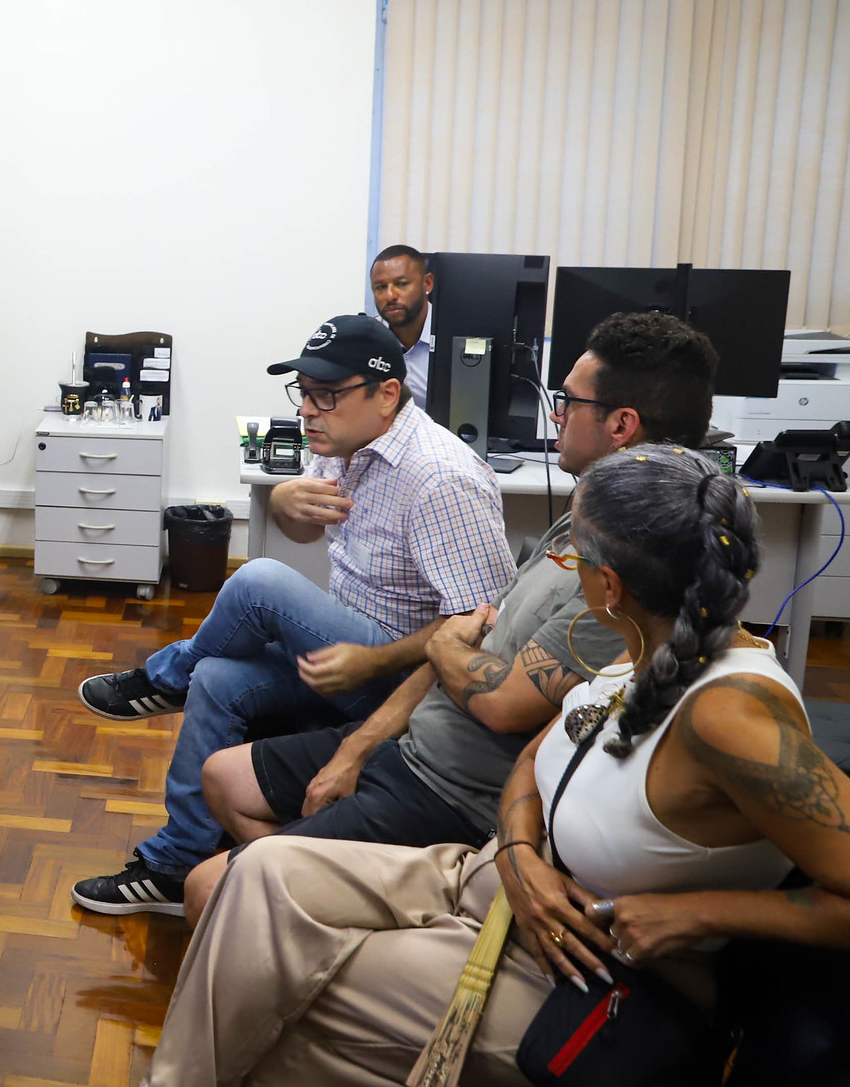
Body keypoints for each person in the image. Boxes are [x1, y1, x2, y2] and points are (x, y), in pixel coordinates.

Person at [147, 446, 850, 1087]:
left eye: (572, 558)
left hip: (587, 977)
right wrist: (520, 852)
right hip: (497, 880)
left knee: (274, 985)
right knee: (258, 874)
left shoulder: (731, 716)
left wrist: (693, 913)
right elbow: (533, 764)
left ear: (609, 585)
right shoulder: (642, 650)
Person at [181, 312, 720, 922]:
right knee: (223, 775)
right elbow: (473, 639)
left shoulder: (634, 564)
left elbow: (499, 694)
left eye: (569, 400)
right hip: (418, 737)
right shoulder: (586, 518)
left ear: (622, 425)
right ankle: (306, 913)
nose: (555, 414)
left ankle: (291, 901)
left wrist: (445, 647)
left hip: (452, 791)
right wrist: (359, 748)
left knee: (209, 888)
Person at [72, 314, 514, 916]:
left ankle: (160, 679)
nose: (308, 410)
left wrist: (368, 690)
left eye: (326, 396)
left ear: (387, 394)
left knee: (259, 581)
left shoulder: (441, 479)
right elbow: (301, 529)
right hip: (347, 657)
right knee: (217, 680)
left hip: (406, 685)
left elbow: (481, 630)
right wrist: (282, 500)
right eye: (303, 393)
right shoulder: (347, 444)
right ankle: (176, 862)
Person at [369, 244, 433, 409]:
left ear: (427, 283)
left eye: (402, 284)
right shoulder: (366, 341)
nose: (390, 296)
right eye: (381, 287)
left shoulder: (456, 338)